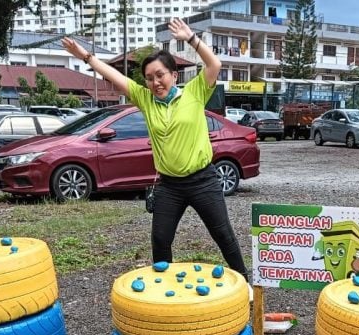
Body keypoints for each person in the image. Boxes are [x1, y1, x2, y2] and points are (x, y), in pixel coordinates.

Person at [62, 20, 249, 281]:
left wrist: (191, 38)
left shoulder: (194, 92)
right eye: (149, 78)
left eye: (160, 75)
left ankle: (245, 284)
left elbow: (214, 65)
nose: (155, 82)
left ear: (174, 74)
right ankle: (163, 291)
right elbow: (116, 77)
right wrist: (86, 57)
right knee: (160, 239)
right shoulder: (146, 100)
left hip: (203, 180)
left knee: (223, 234)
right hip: (169, 186)